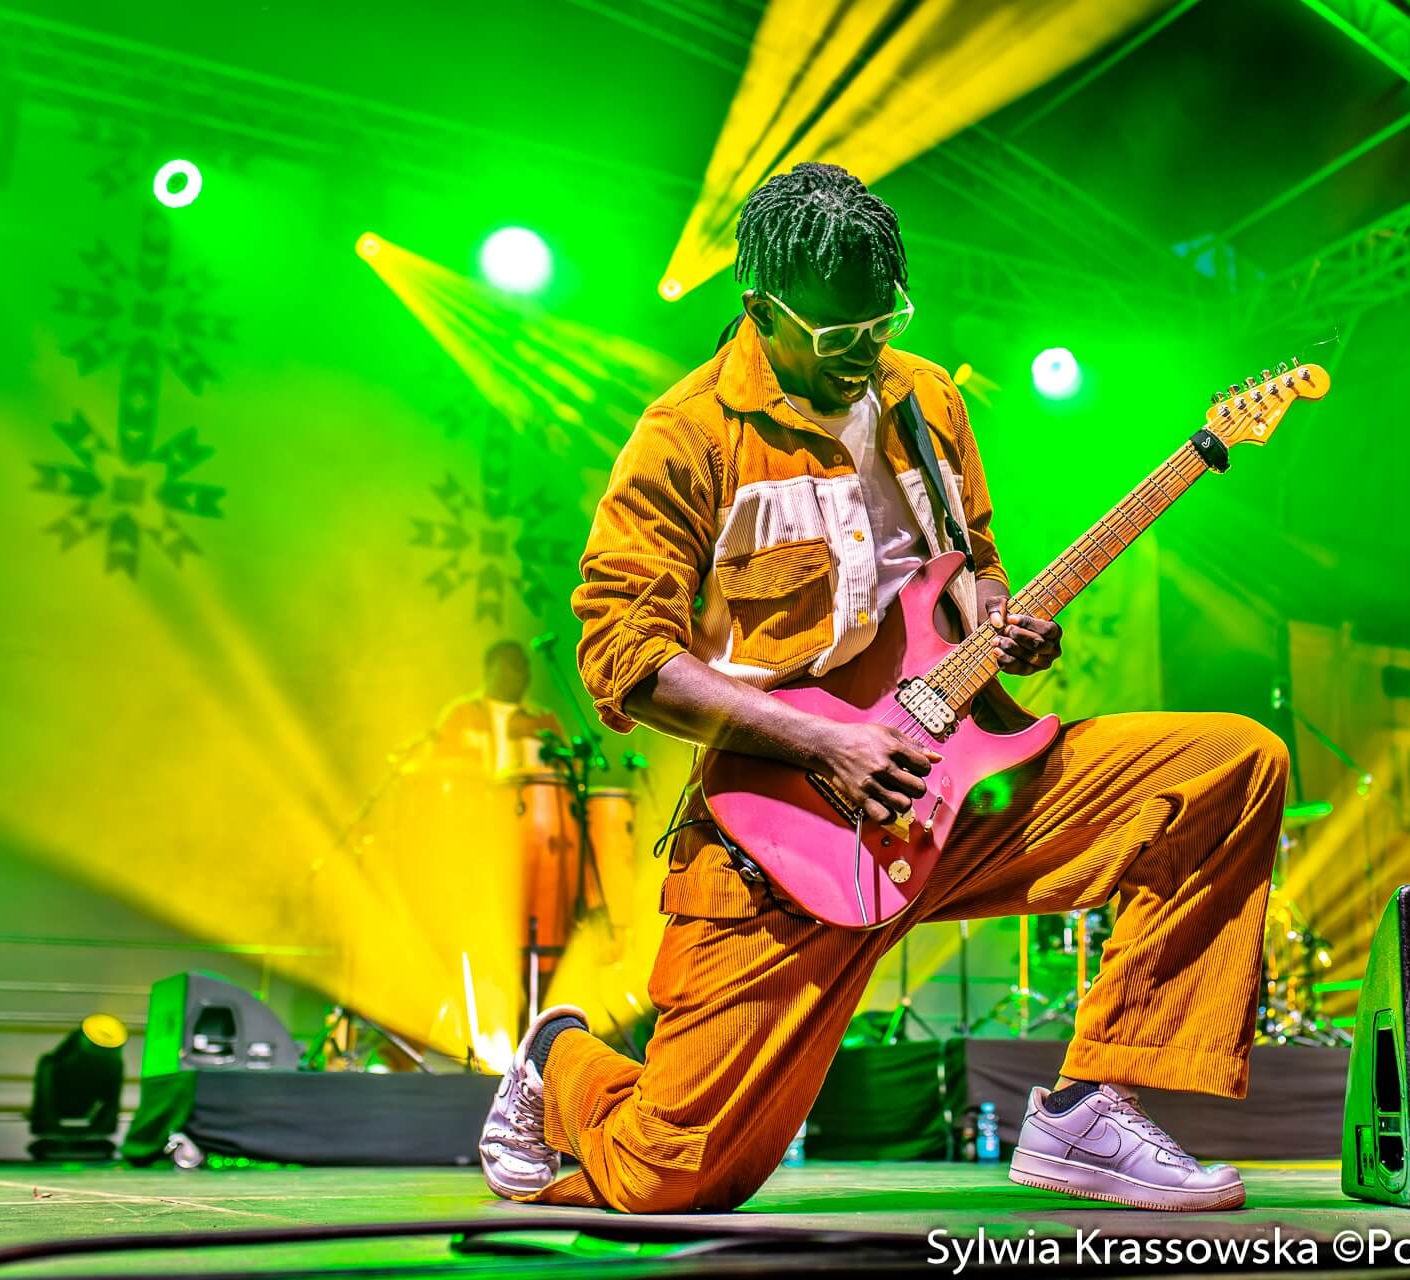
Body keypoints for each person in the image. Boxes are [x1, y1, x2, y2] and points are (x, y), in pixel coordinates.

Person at [477, 162, 1288, 1213]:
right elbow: (624, 656)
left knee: (1231, 765)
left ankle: (1092, 1104)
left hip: (966, 790)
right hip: (791, 839)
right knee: (669, 1177)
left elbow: (973, 557)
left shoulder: (927, 398)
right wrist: (825, 745)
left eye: (883, 320)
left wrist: (998, 618)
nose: (865, 350)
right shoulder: (686, 438)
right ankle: (561, 1062)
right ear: (762, 307)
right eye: (836, 333)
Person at [432, 640, 567, 778]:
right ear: (489, 670)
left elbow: (567, 771)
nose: (522, 671)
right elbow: (436, 766)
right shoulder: (461, 714)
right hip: (473, 791)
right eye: (513, 664)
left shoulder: (544, 719)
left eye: (525, 665)